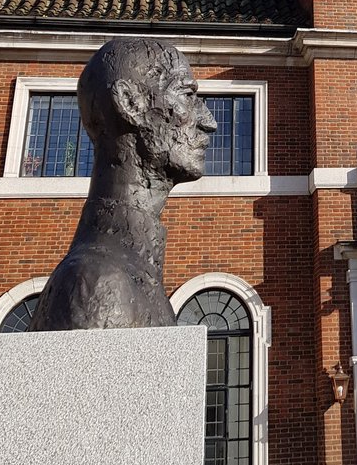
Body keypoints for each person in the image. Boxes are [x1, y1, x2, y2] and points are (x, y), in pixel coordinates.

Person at [30, 37, 217, 330]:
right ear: (130, 103)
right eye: (186, 95)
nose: (209, 121)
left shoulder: (133, 274)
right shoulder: (99, 281)